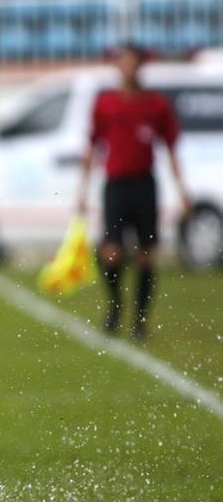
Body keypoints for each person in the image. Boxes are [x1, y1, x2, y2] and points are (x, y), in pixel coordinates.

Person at [76, 42, 191, 339]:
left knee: (145, 256)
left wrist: (182, 191)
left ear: (141, 65)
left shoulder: (155, 104)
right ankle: (115, 304)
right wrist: (82, 191)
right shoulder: (106, 103)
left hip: (144, 185)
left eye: (132, 61)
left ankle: (140, 321)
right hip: (116, 185)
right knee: (110, 252)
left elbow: (170, 148)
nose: (127, 67)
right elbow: (92, 145)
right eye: (122, 61)